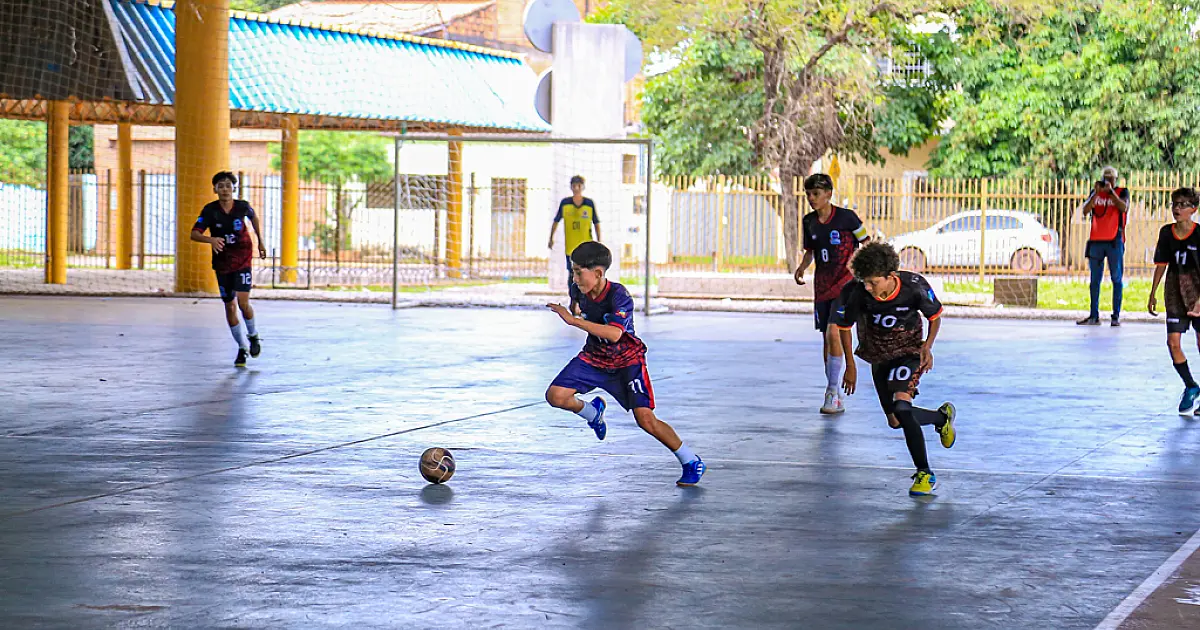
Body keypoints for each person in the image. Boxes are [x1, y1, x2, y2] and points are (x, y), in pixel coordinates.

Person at [544, 241, 704, 487]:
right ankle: (592, 412)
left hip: (627, 361)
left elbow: (615, 334)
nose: (574, 278)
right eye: (572, 271)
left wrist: (573, 321)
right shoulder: (579, 292)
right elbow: (582, 313)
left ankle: (691, 460)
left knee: (646, 420)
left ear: (598, 273)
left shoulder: (619, 295)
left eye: (578, 272)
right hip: (595, 357)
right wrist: (575, 314)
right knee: (556, 395)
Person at [833, 242, 957, 497]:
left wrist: (927, 347)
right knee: (895, 420)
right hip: (879, 357)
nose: (868, 287)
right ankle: (941, 418)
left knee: (902, 406)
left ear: (891, 277)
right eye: (864, 282)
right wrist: (851, 365)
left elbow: (935, 317)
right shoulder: (856, 291)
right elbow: (843, 327)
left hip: (908, 354)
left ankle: (925, 473)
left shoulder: (914, 286)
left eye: (873, 282)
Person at [793, 173, 870, 414]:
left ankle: (831, 391)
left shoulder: (847, 218)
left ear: (829, 194)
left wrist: (856, 263)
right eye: (808, 194)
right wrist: (802, 267)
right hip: (823, 285)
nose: (811, 198)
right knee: (827, 339)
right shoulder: (809, 222)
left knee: (834, 330)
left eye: (816, 194)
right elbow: (811, 251)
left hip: (846, 284)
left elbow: (867, 243)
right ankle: (835, 391)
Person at [189, 171, 266, 367]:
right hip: (222, 263)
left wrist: (260, 242)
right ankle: (241, 348)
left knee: (242, 302)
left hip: (242, 259)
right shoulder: (210, 211)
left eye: (228, 185)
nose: (224, 189)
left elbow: (254, 218)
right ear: (215, 189)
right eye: (220, 186)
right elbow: (194, 233)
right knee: (229, 305)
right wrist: (211, 239)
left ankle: (253, 335)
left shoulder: (242, 207)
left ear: (234, 188)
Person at [1148, 187, 1200, 414]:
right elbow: (1161, 263)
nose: (1177, 209)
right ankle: (1190, 386)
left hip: (1197, 294)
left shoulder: (1199, 234)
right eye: (1174, 205)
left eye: (1182, 205)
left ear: (1193, 209)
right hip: (1175, 294)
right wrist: (1153, 292)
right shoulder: (1166, 233)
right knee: (1173, 343)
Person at [1078, 166, 1130, 326]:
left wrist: (1111, 193)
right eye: (1105, 177)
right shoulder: (1096, 193)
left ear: (1115, 179)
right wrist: (1095, 193)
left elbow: (1124, 207)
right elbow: (1085, 211)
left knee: (1116, 278)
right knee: (1095, 279)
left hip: (1114, 240)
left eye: (1111, 178)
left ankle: (1116, 316)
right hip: (1096, 240)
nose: (1108, 180)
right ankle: (1094, 315)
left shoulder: (1122, 192)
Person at [548, 175, 601, 314]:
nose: (576, 188)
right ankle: (574, 301)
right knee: (573, 276)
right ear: (571, 187)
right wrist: (551, 238)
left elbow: (596, 223)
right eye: (574, 185)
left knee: (587, 275)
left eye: (579, 186)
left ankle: (586, 303)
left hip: (586, 247)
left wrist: (599, 241)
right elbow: (556, 221)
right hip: (571, 248)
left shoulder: (589, 204)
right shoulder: (565, 203)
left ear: (582, 187)